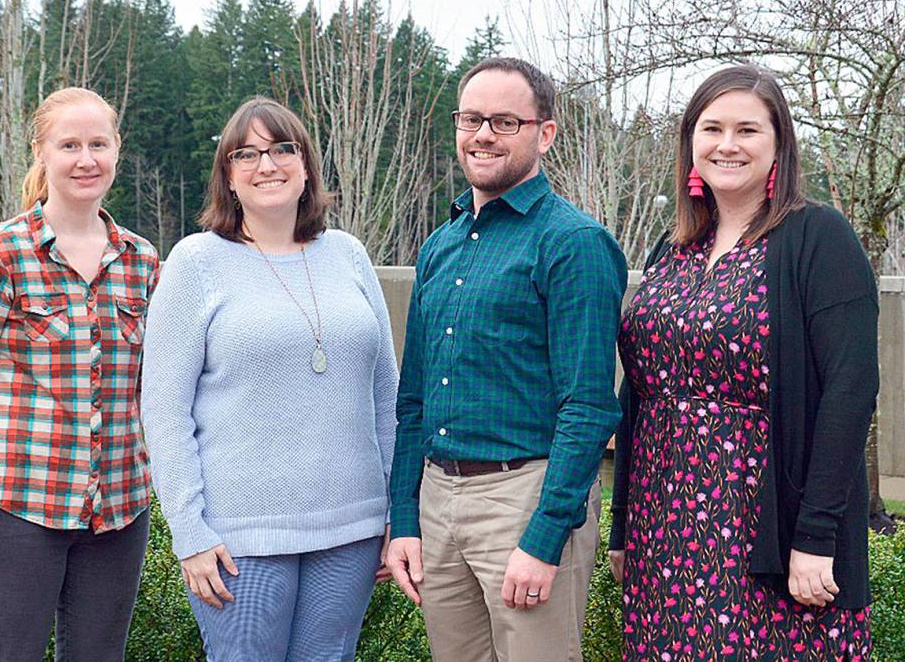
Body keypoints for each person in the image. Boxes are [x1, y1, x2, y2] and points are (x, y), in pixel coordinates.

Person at [608, 64, 876, 659]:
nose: (727, 145)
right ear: (690, 143)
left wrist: (815, 535)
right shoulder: (675, 247)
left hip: (762, 522)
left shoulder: (818, 237)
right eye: (712, 128)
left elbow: (851, 391)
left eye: (748, 130)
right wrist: (624, 521)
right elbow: (639, 395)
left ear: (779, 143)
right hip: (665, 521)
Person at [385, 57, 628, 661]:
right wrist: (405, 518)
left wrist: (545, 536)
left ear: (544, 133)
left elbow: (589, 406)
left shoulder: (573, 244)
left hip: (523, 497)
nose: (483, 134)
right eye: (471, 118)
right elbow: (413, 398)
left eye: (504, 121)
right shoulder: (439, 246)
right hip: (438, 500)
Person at [140, 97, 398, 662]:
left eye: (283, 149)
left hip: (351, 529)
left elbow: (386, 397)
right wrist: (190, 530)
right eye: (248, 154)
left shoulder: (349, 257)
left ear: (306, 167)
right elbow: (163, 411)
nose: (268, 164)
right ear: (228, 178)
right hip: (240, 538)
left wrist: (394, 512)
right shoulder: (196, 263)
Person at [0, 87, 158, 660]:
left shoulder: (143, 262)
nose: (86, 159)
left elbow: (159, 387)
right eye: (70, 144)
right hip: (14, 511)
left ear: (116, 153)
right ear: (42, 153)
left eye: (98, 144)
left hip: (118, 514)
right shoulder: (0, 256)